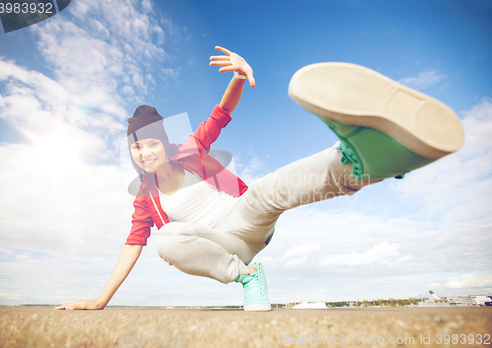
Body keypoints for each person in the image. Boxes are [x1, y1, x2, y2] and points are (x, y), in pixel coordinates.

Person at [55, 46, 464, 311]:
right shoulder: (146, 198)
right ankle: (249, 277)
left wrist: (238, 75)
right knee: (167, 239)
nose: (143, 152)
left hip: (245, 216)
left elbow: (220, 115)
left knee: (270, 189)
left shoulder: (190, 151)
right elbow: (132, 246)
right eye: (135, 147)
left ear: (163, 142)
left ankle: (369, 160)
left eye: (149, 143)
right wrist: (100, 300)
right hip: (222, 246)